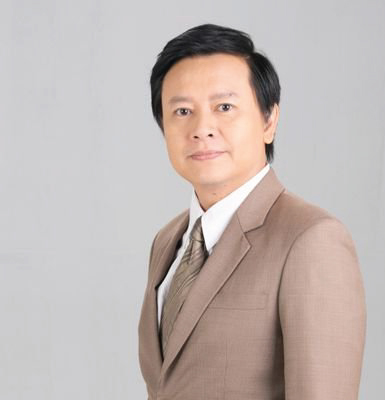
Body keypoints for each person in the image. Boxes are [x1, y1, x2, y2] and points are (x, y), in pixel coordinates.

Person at [138, 23, 367, 400]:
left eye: (224, 107)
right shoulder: (167, 242)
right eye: (182, 111)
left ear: (269, 120)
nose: (202, 128)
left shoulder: (311, 240)